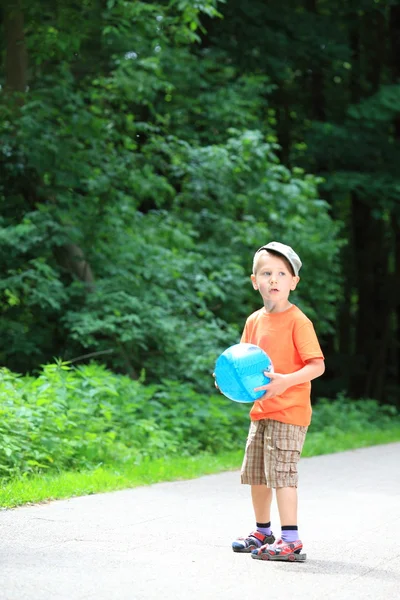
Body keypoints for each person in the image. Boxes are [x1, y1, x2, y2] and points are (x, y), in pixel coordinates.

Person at [231, 241, 325, 561]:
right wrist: (229, 380)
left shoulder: (299, 321)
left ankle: (291, 540)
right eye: (267, 273)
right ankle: (262, 531)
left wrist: (285, 381)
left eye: (282, 273)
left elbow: (317, 365)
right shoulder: (254, 321)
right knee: (258, 474)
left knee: (282, 474)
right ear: (254, 280)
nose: (274, 279)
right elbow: (242, 362)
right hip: (262, 411)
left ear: (293, 282)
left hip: (290, 411)